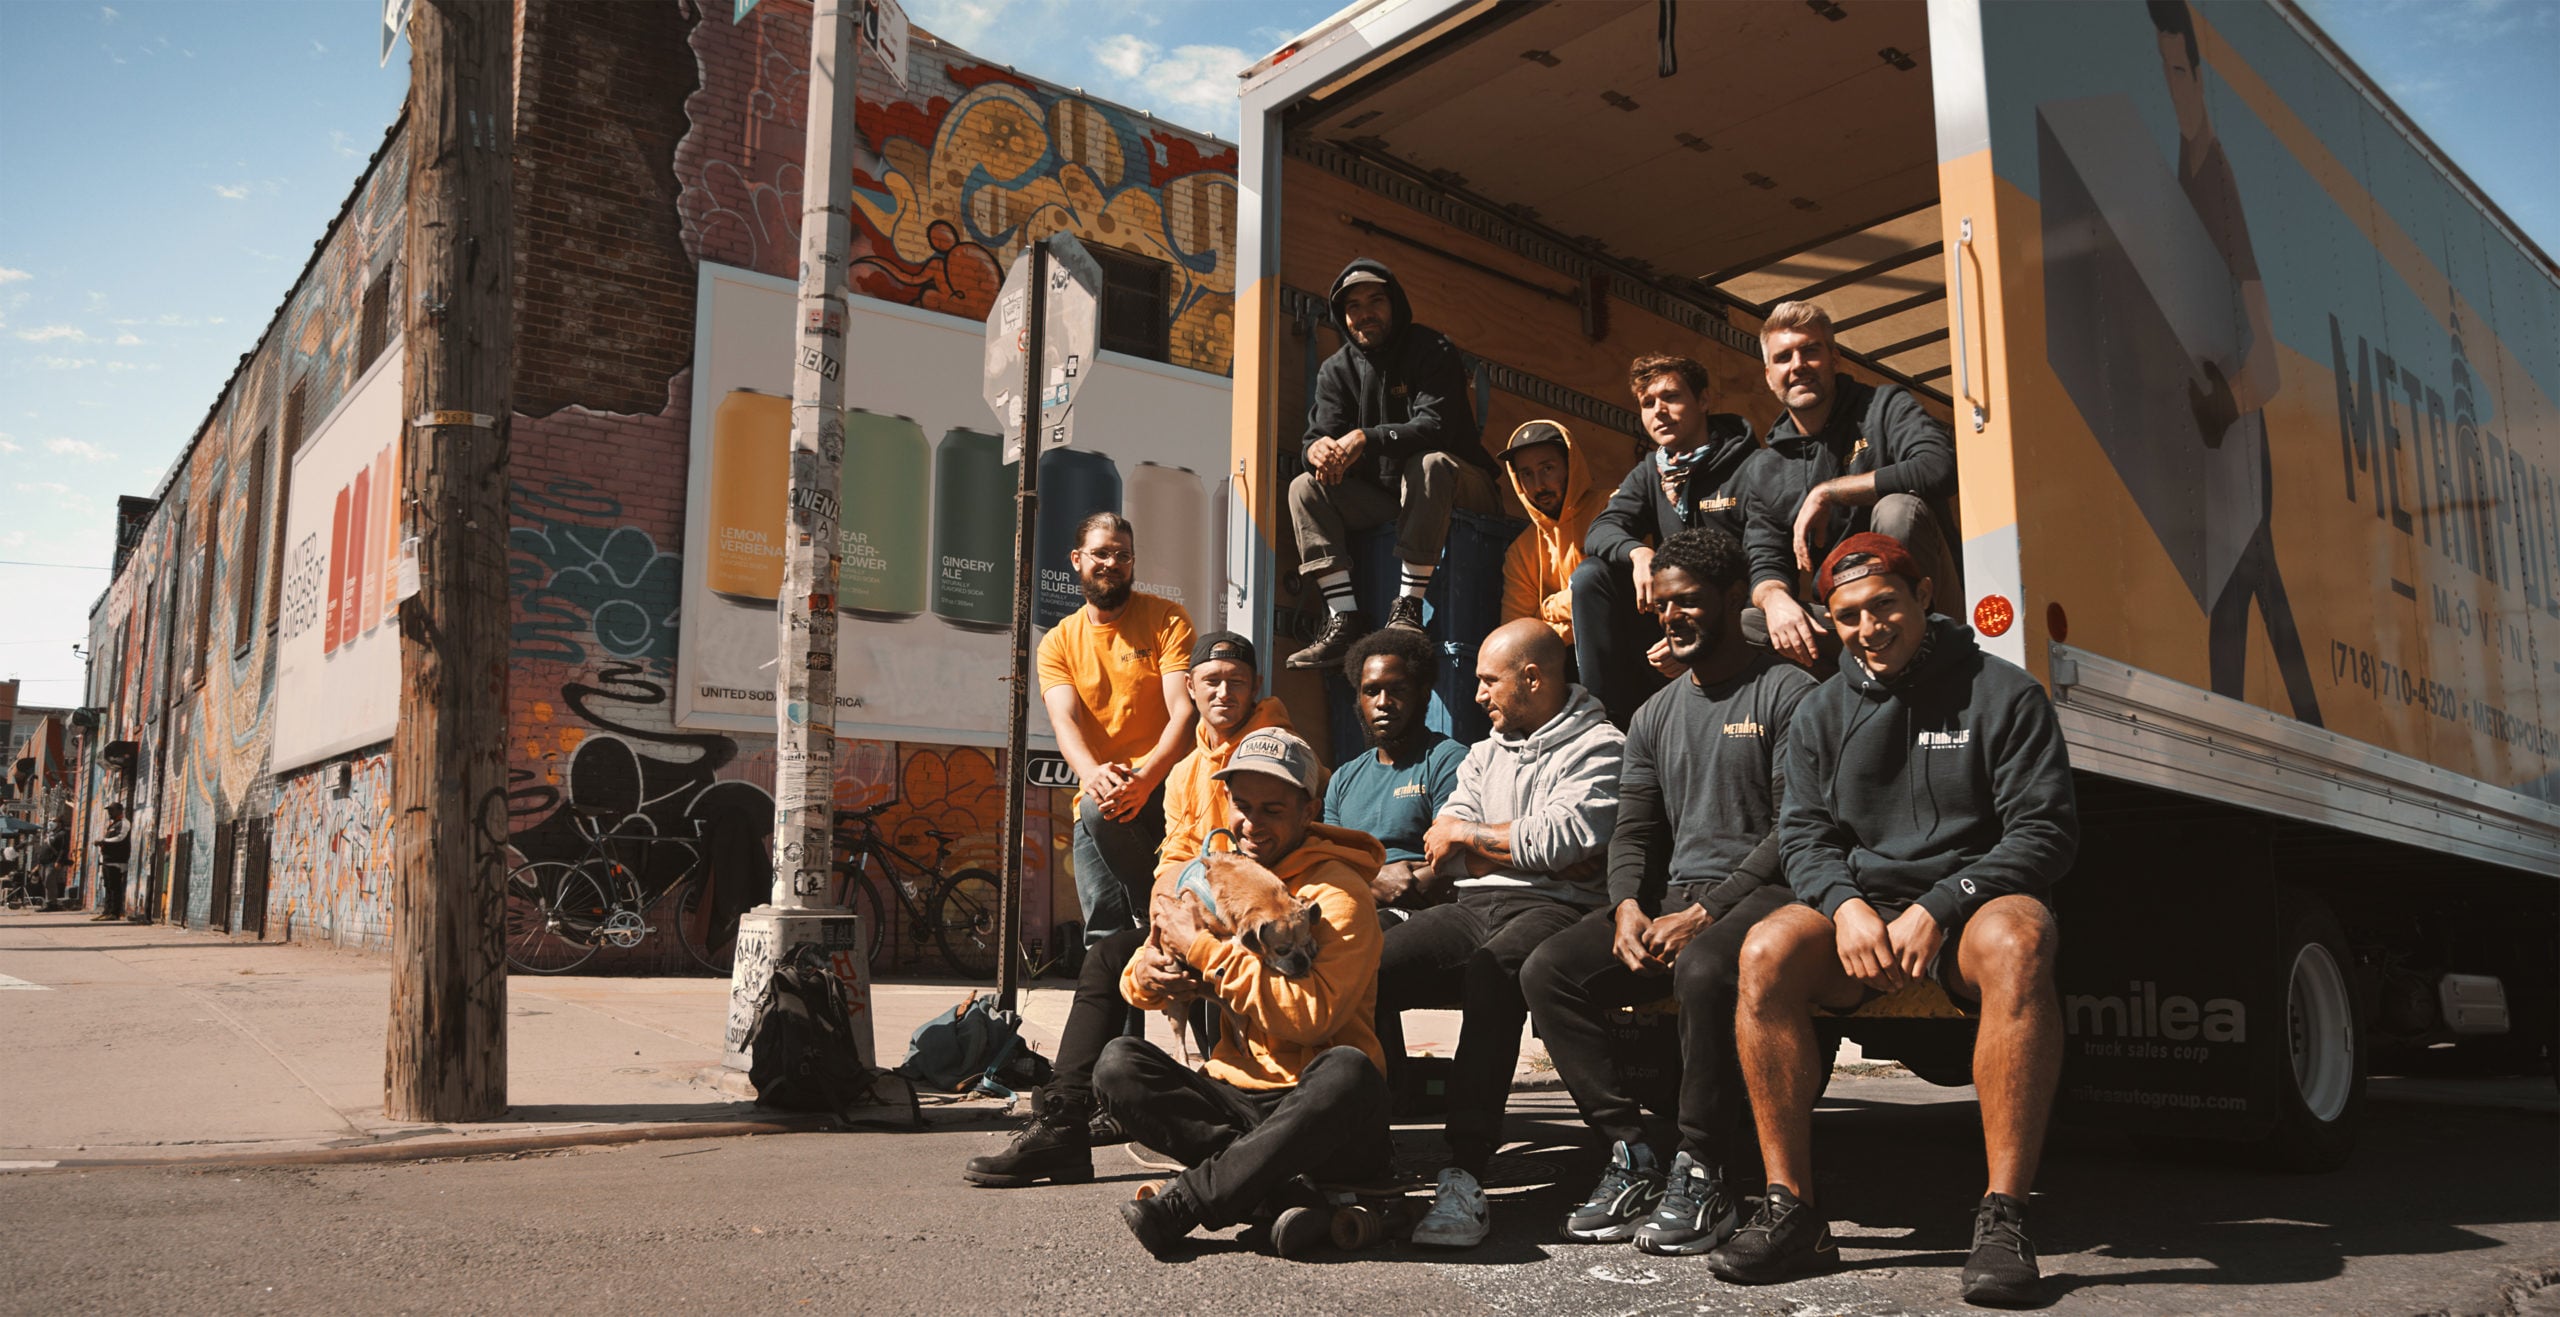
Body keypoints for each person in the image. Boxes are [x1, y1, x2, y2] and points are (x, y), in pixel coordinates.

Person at [1713, 532, 2077, 1307]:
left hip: (1969, 905)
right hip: (1865, 911)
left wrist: (1942, 905)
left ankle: (2005, 1214)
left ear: (1923, 599)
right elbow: (1804, 834)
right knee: (1765, 950)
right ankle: (1793, 1209)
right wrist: (1843, 906)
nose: (1869, 627)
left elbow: (2044, 835)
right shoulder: (1820, 711)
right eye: (1848, 615)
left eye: (1885, 604)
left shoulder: (2005, 693)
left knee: (2024, 939)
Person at [1523, 525, 1816, 1253]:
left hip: (1768, 892)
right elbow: (1635, 831)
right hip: (1676, 897)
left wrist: (1709, 910)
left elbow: (1796, 829)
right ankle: (1633, 1151)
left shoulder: (1788, 692)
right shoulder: (1654, 713)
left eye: (1687, 603)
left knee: (1706, 963)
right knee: (1547, 970)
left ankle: (1704, 1163)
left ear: (1731, 598)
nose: (1673, 617)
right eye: (1662, 607)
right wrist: (1625, 904)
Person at [965, 631, 1282, 1189]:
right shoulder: (1186, 769)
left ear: (1257, 687)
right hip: (1197, 922)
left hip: (1255, 931)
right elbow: (1175, 858)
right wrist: (1163, 932)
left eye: (1237, 681)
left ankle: (1237, 1119)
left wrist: (1197, 937)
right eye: (1212, 681)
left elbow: (1272, 862)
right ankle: (1063, 1123)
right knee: (1109, 957)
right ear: (1190, 689)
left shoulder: (1275, 747)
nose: (1225, 692)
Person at [1102, 728, 1392, 1259]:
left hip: (1318, 1111)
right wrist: (1152, 973)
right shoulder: (1216, 875)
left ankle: (1188, 1205)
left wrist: (1206, 952)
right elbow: (1133, 981)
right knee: (1119, 1065)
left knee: (1350, 1071)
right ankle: (1275, 1191)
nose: (1251, 823)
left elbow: (1312, 1019)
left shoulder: (1339, 892)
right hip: (1236, 1101)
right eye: (1242, 806)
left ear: (1309, 811)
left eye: (1273, 809)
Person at [1385, 619, 1624, 1248]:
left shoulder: (1602, 746)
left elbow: (1562, 845)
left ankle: (1464, 1171)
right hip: (1472, 904)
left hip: (1556, 908)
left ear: (1533, 678)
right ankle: (1362, 1144)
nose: (1478, 695)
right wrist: (1506, 843)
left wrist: (1479, 839)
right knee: (1369, 967)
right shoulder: (1485, 751)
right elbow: (1446, 844)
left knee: (1495, 975)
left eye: (1489, 681)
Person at [2149, 0, 2321, 726]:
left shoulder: (2215, 179)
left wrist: (2225, 404)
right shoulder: (2185, 167)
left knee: (2242, 588)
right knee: (2252, 588)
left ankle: (2263, 730)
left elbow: (2271, 366)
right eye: (2165, 72)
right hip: (2219, 437)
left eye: (2183, 71)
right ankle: (2303, 728)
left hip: (2240, 436)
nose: (2175, 88)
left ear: (2202, 73)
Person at [1284, 259, 1497, 670]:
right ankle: (1344, 617)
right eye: (1354, 306)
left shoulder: (1432, 350)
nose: (1365, 313)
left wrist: (1368, 437)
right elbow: (1316, 435)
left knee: (1429, 463)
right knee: (1304, 488)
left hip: (1463, 492)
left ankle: (1409, 610)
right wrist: (1317, 452)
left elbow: (1434, 427)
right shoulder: (1336, 370)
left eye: (1375, 300)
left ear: (1394, 303)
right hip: (1396, 503)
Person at [1734, 303, 1960, 670]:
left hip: (1929, 606)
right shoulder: (1765, 468)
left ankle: (1920, 656)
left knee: (1897, 508)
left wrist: (1829, 491)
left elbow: (1939, 468)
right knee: (1750, 623)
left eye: (1810, 351)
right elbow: (1765, 557)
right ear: (1768, 374)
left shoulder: (1885, 406)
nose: (1798, 365)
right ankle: (1836, 702)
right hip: (1847, 622)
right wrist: (1774, 598)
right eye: (1783, 357)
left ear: (1834, 358)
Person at [1037, 513, 1197, 944]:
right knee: (1105, 940)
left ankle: (1155, 908)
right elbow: (1063, 721)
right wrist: (1091, 775)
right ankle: (1149, 918)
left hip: (1166, 788)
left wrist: (1145, 779)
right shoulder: (1057, 642)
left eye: (1122, 555)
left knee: (1095, 807)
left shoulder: (1166, 618)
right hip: (1102, 794)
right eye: (1101, 553)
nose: (1112, 563)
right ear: (1077, 559)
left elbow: (1184, 713)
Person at [1575, 354, 1761, 725]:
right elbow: (1600, 529)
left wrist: (1698, 635)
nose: (1658, 411)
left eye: (1671, 397)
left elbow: (1759, 566)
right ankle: (1605, 723)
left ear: (1704, 400)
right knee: (1591, 576)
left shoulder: (1751, 466)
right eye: (1647, 403)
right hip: (1673, 616)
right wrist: (1641, 554)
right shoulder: (1651, 471)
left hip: (1735, 614)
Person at [1324, 626, 1465, 920]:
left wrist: (1379, 882)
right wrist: (1374, 881)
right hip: (1352, 907)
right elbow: (1332, 866)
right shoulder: (1343, 779)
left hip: (1420, 914)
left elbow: (1451, 864)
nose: (1383, 702)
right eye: (1371, 691)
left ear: (1423, 695)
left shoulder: (1447, 760)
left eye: (1397, 689)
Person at [1496, 419, 1606, 648]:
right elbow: (1518, 635)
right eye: (1526, 474)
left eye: (1548, 468)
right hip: (1559, 661)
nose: (1539, 485)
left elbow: (1614, 595)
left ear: (1570, 465)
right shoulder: (1521, 551)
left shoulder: (1610, 507)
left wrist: (1548, 608)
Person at [93, 803, 131, 921]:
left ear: (120, 810)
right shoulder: (113, 824)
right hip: (108, 860)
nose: (110, 813)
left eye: (112, 810)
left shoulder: (124, 823)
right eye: (109, 810)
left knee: (115, 887)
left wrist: (104, 841)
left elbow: (121, 837)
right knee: (108, 886)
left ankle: (114, 913)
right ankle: (107, 911)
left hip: (117, 861)